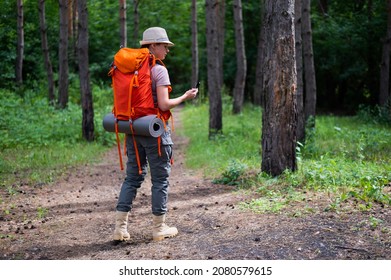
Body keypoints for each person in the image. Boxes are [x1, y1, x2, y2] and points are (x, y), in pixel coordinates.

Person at [113, 27, 198, 242]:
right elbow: (163, 103)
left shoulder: (129, 68)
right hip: (155, 130)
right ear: (152, 46)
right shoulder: (158, 70)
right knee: (160, 180)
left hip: (132, 129)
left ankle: (120, 229)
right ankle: (159, 228)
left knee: (132, 178)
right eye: (164, 46)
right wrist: (184, 97)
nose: (167, 50)